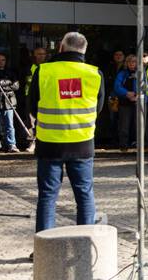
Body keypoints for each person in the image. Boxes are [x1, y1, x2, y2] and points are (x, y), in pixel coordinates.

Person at [29, 31, 103, 231]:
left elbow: (31, 106)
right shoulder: (94, 73)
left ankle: (44, 249)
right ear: (84, 50)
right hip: (82, 144)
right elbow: (99, 107)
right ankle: (85, 244)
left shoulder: (44, 70)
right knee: (84, 194)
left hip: (49, 143)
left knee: (47, 196)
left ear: (61, 47)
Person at [114, 53, 143, 152]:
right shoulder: (122, 73)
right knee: (124, 126)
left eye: (134, 61)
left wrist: (138, 96)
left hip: (138, 102)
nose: (132, 64)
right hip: (125, 103)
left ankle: (141, 145)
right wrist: (127, 93)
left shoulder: (141, 73)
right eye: (130, 61)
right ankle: (123, 146)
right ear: (127, 63)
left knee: (139, 125)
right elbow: (117, 87)